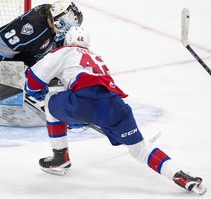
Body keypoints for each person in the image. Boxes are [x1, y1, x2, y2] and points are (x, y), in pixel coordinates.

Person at [24, 27, 207, 195]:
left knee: (51, 101)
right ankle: (180, 175)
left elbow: (32, 81)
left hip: (85, 103)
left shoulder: (63, 51)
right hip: (115, 106)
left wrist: (40, 95)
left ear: (67, 41)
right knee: (140, 149)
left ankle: (60, 157)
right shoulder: (96, 56)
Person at [0, 1, 83, 92]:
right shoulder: (33, 28)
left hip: (22, 60)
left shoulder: (51, 20)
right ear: (59, 21)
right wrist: (14, 79)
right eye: (67, 25)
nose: (67, 30)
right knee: (13, 103)